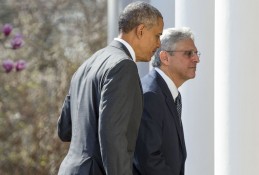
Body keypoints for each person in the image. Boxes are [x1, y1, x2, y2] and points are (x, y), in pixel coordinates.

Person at [57, 2, 164, 175]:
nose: (159, 44)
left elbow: (65, 129)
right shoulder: (124, 66)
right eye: (157, 36)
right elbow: (112, 137)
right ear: (141, 30)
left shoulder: (87, 64)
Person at [133, 27, 200, 175]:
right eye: (188, 53)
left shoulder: (168, 93)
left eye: (196, 53)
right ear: (165, 57)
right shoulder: (151, 95)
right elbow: (148, 160)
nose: (196, 59)